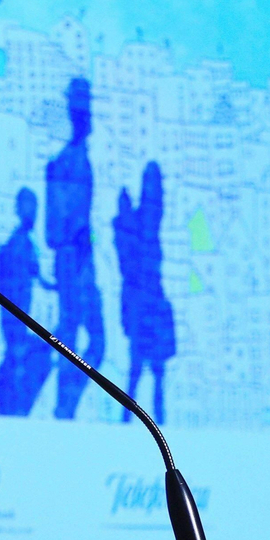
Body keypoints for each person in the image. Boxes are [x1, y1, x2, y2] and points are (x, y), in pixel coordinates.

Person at [45, 77, 105, 419]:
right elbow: (56, 228)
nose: (87, 117)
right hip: (71, 261)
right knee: (69, 334)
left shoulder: (81, 158)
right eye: (81, 110)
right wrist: (75, 243)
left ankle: (66, 406)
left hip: (86, 261)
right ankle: (63, 409)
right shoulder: (64, 162)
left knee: (97, 340)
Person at [112, 161, 177, 423]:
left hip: (153, 306)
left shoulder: (149, 227)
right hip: (142, 306)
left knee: (156, 374)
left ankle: (161, 425)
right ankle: (125, 423)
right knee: (136, 372)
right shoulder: (135, 230)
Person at [0, 188, 56, 416]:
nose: (32, 213)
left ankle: (0, 400)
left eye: (34, 207)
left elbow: (39, 276)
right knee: (15, 353)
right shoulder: (17, 243)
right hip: (12, 311)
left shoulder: (27, 242)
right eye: (27, 206)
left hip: (21, 309)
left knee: (18, 353)